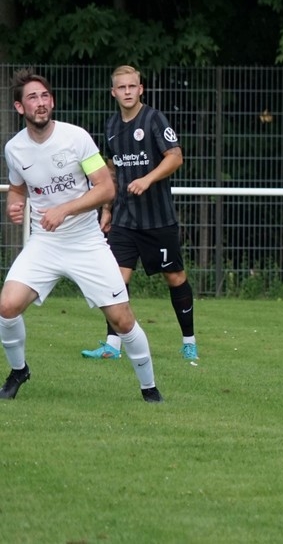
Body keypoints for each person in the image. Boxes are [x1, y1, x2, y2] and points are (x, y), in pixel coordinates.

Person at [0, 71, 162, 403]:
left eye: (45, 96)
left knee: (122, 319)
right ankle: (19, 371)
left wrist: (65, 210)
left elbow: (106, 189)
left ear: (52, 101)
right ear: (19, 107)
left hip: (86, 242)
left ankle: (149, 388)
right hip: (45, 244)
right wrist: (13, 206)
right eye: (32, 97)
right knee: (7, 306)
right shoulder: (14, 148)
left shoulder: (76, 138)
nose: (41, 103)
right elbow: (17, 190)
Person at [81, 65, 198, 362]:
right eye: (121, 87)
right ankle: (112, 345)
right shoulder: (111, 126)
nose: (127, 92)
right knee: (115, 280)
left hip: (158, 219)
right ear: (113, 92)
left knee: (175, 277)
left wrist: (147, 179)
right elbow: (113, 169)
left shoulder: (154, 119)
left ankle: (189, 342)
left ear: (140, 89)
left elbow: (176, 157)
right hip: (124, 218)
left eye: (132, 86)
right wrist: (107, 209)